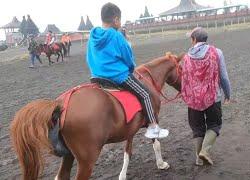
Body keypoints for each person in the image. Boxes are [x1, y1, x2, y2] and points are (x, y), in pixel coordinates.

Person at [86, 3, 169, 139]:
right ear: (116, 19)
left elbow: (89, 58)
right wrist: (130, 69)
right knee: (146, 94)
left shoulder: (92, 35)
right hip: (118, 77)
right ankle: (153, 127)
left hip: (97, 77)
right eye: (120, 19)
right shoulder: (116, 35)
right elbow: (128, 57)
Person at [181, 27, 231, 166]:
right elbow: (224, 77)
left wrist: (186, 94)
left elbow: (184, 78)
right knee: (215, 124)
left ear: (194, 40)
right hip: (213, 97)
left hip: (194, 100)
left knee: (197, 128)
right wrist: (228, 94)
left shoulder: (186, 57)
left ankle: (198, 158)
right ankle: (205, 151)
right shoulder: (217, 53)